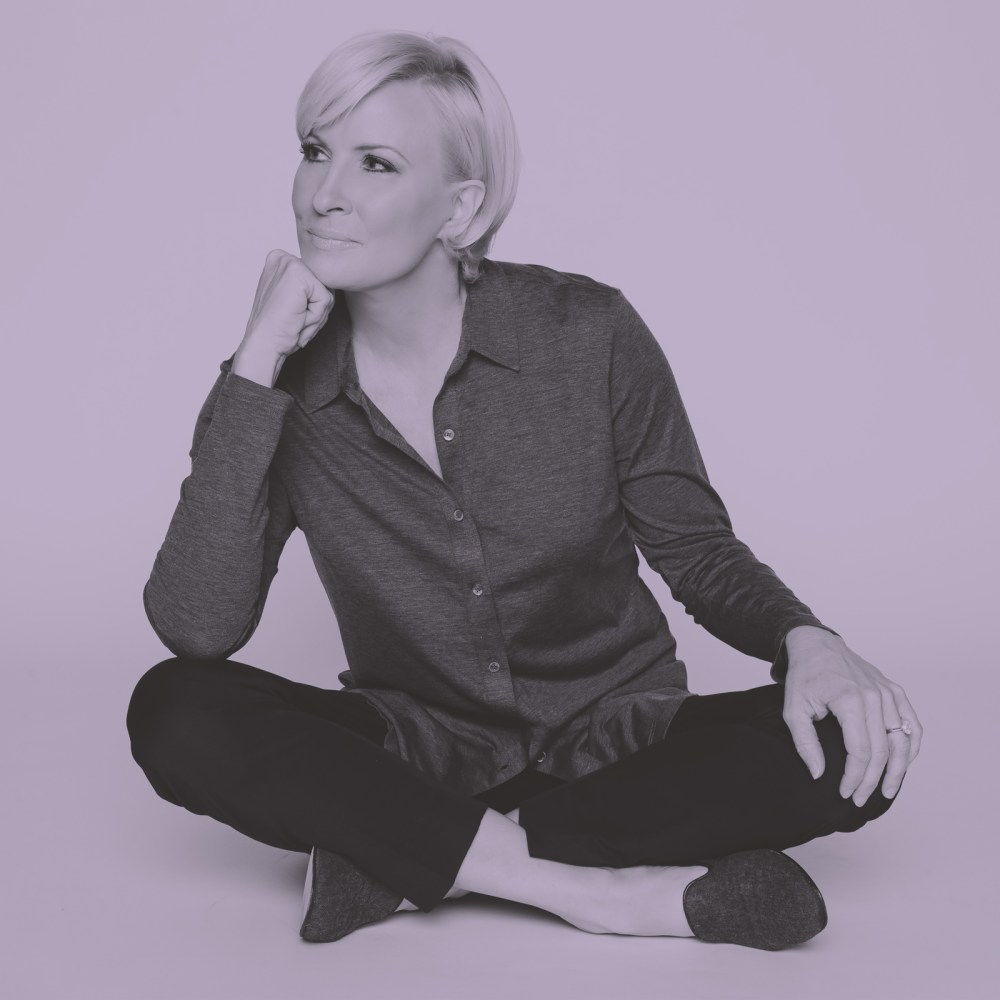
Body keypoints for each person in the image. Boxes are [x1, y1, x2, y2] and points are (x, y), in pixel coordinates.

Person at [126, 29, 922, 951]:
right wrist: (255, 359)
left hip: (619, 741)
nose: (323, 194)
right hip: (418, 748)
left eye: (375, 163)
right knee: (173, 709)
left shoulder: (589, 332)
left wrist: (807, 640)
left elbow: (695, 548)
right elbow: (198, 627)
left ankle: (405, 857)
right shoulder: (275, 389)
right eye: (314, 151)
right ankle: (593, 890)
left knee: (853, 741)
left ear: (460, 208)